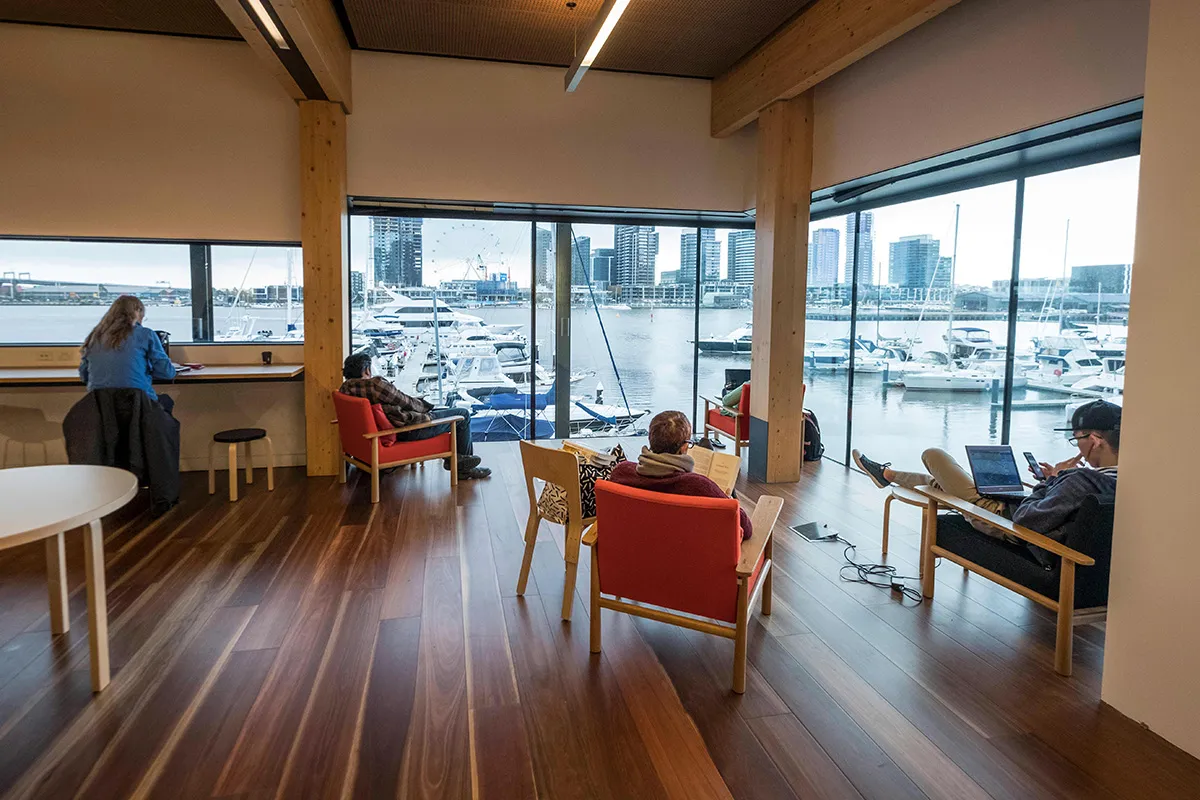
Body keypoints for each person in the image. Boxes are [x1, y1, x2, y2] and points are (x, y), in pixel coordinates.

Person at [852, 399, 1120, 562]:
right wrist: (1054, 481)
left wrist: (1052, 481)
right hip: (1010, 511)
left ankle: (887, 475)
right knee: (942, 484)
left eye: (1078, 439)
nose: (1078, 447)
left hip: (998, 519)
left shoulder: (1080, 480)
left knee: (934, 456)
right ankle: (887, 475)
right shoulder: (1121, 480)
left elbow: (1026, 520)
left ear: (1095, 441)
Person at [338, 352, 490, 479]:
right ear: (366, 370)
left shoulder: (344, 390)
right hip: (410, 428)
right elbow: (408, 403)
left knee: (443, 411)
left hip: (388, 430)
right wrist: (426, 406)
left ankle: (457, 459)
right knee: (463, 415)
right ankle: (462, 469)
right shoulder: (375, 385)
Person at [610, 410, 752, 539]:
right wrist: (727, 499)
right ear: (684, 447)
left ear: (650, 439)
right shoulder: (699, 487)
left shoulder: (621, 473)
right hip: (690, 563)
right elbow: (745, 527)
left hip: (634, 559)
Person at [79, 295, 176, 413]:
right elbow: (167, 373)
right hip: (139, 405)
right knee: (166, 402)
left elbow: (84, 376)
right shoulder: (146, 334)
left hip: (101, 409)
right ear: (138, 313)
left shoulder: (95, 336)